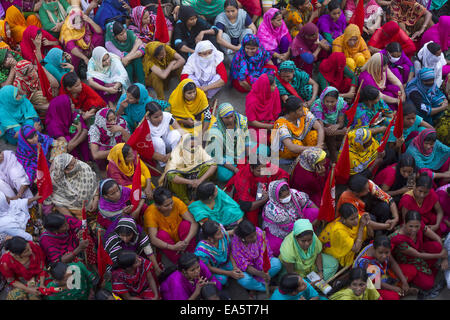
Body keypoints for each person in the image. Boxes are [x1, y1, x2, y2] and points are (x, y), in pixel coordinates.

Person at [389, 210, 448, 293]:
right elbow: (418, 255)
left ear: (420, 223)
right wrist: (441, 256)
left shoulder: (421, 226)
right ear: (405, 223)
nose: (414, 230)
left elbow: (437, 238)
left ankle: (428, 266)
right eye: (411, 226)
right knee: (428, 284)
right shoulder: (398, 238)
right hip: (407, 261)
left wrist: (444, 258)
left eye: (417, 226)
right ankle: (413, 276)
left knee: (437, 246)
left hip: (420, 251)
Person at [262, 180, 319, 256]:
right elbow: (289, 227)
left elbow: (308, 202)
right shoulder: (272, 210)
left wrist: (319, 214)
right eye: (283, 196)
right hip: (281, 229)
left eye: (288, 194)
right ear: (276, 196)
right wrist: (307, 229)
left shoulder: (294, 194)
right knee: (275, 247)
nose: (287, 197)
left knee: (315, 213)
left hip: (297, 218)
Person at [144, 187, 198, 265]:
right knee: (161, 235)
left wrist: (186, 241)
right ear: (157, 206)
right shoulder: (151, 213)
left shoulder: (176, 201)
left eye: (171, 203)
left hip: (182, 237)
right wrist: (172, 247)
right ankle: (178, 261)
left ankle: (192, 254)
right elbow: (153, 239)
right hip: (167, 242)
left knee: (186, 225)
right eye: (166, 206)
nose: (171, 207)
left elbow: (193, 223)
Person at [158, 134, 217, 204]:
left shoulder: (199, 150)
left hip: (198, 180)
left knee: (208, 167)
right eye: (190, 146)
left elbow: (213, 165)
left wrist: (200, 180)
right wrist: (191, 182)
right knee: (172, 176)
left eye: (194, 146)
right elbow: (170, 174)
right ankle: (185, 200)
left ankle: (200, 191)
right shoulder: (175, 154)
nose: (193, 148)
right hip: (183, 182)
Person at [353, 235, 413, 300]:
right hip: (373, 284)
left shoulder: (380, 247)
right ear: (374, 249)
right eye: (380, 253)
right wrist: (394, 288)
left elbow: (392, 263)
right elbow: (377, 284)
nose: (384, 256)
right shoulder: (367, 263)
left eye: (387, 252)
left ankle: (401, 289)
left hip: (382, 275)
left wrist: (404, 280)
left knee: (412, 270)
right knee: (394, 297)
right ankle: (401, 291)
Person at [230, 220, 282, 294]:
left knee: (277, 263)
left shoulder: (259, 232)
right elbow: (245, 266)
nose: (254, 238)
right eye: (251, 237)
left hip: (261, 264)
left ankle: (256, 286)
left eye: (255, 235)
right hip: (249, 271)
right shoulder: (236, 244)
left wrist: (264, 270)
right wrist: (261, 274)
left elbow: (265, 252)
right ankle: (266, 288)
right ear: (243, 238)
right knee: (243, 280)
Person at [45, 153, 98, 220]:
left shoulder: (84, 168)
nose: (77, 163)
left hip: (92, 207)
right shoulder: (56, 181)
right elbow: (58, 202)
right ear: (65, 170)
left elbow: (94, 182)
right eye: (73, 164)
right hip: (73, 213)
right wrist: (75, 222)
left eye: (75, 160)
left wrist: (96, 198)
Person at [206, 102, 250, 183]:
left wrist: (248, 156)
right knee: (224, 176)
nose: (230, 120)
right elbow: (219, 156)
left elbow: (247, 138)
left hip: (239, 147)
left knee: (262, 152)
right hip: (224, 153)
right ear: (221, 118)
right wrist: (234, 169)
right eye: (226, 118)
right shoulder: (216, 132)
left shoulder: (241, 120)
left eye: (231, 116)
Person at [272, 96, 325, 160]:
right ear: (292, 113)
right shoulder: (281, 123)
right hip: (286, 149)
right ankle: (302, 160)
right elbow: (291, 147)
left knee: (314, 135)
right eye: (300, 110)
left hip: (303, 144)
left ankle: (310, 156)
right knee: (296, 143)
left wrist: (319, 145)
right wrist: (314, 148)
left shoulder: (303, 111)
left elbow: (319, 128)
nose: (303, 111)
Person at [319, 203, 370, 268]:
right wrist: (361, 227)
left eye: (357, 217)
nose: (356, 221)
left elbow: (370, 234)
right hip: (338, 252)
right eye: (352, 219)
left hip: (354, 244)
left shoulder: (354, 217)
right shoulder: (339, 230)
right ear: (343, 219)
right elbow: (356, 249)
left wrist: (367, 221)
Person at [194, 220, 244, 285]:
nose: (222, 233)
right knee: (222, 280)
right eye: (218, 234)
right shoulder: (201, 251)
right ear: (210, 238)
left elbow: (229, 251)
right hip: (215, 268)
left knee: (238, 266)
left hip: (226, 262)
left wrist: (235, 267)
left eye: (221, 231)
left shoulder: (223, 235)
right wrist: (230, 273)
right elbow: (209, 268)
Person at [44, 95, 90, 162]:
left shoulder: (71, 114)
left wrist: (74, 142)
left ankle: (86, 161)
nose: (73, 105)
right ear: (63, 107)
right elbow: (66, 148)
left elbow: (85, 131)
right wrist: (79, 132)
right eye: (70, 104)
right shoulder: (53, 126)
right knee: (70, 136)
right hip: (63, 154)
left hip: (72, 145)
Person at [59, 7, 104, 72]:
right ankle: (76, 71)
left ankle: (98, 58)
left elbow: (99, 31)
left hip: (87, 46)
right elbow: (72, 48)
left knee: (99, 37)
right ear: (72, 22)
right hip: (77, 51)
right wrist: (85, 58)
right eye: (76, 23)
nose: (79, 25)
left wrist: (90, 20)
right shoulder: (67, 30)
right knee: (72, 55)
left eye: (80, 22)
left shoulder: (85, 22)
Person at [310, 87, 348, 161]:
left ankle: (335, 153)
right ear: (323, 99)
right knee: (330, 138)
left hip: (333, 127)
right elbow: (321, 129)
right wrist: (341, 131)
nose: (329, 104)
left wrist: (336, 126)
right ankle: (333, 156)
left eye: (332, 101)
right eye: (327, 101)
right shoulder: (317, 107)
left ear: (337, 100)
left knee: (342, 139)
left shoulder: (341, 103)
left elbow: (341, 123)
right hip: (318, 129)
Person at [245, 73, 281, 144]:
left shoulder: (274, 91)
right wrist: (269, 126)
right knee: (259, 139)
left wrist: (274, 124)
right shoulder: (252, 101)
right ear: (266, 87)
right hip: (258, 126)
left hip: (271, 122)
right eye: (273, 85)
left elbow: (276, 112)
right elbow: (250, 121)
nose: (276, 86)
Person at [144, 101, 182, 168]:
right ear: (148, 117)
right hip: (157, 151)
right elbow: (146, 146)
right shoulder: (144, 125)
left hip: (168, 145)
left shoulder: (167, 116)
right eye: (156, 117)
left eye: (161, 114)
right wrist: (162, 158)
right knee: (158, 141)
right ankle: (164, 164)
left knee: (176, 133)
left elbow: (180, 130)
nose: (160, 118)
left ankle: (175, 157)